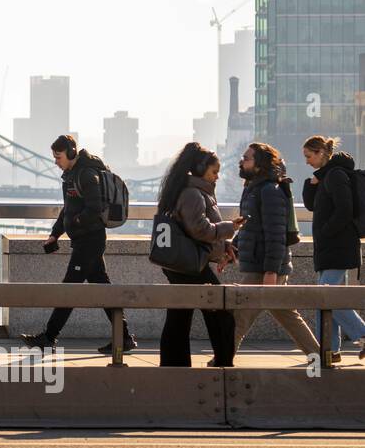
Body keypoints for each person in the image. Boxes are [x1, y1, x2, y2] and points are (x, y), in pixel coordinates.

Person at [20, 134, 136, 353]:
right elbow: (68, 208)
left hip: (90, 241)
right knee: (103, 289)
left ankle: (49, 337)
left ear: (71, 153)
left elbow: (95, 207)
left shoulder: (86, 174)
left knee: (69, 289)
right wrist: (55, 234)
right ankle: (125, 337)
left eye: (58, 157)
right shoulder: (70, 175)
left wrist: (77, 221)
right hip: (83, 240)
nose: (55, 161)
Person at [154, 143, 241, 367]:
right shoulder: (193, 194)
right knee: (220, 313)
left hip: (181, 263)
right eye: (214, 172)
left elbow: (197, 232)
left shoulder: (190, 190)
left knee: (179, 316)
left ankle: (174, 366)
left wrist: (224, 246)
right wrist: (230, 227)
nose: (218, 177)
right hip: (189, 266)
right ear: (201, 169)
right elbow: (200, 229)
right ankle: (223, 362)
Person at [231, 142, 320, 358]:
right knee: (287, 314)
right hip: (261, 264)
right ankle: (319, 356)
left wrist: (271, 272)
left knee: (239, 316)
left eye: (247, 158)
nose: (241, 162)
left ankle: (223, 358)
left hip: (264, 267)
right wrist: (232, 248)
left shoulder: (270, 191)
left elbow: (276, 234)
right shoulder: (253, 189)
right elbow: (249, 226)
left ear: (259, 165)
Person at [301, 135, 365, 360]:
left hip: (338, 246)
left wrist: (324, 232)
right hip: (330, 248)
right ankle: (329, 350)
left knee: (325, 297)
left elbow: (345, 210)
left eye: (309, 156)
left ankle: (361, 334)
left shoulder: (336, 175)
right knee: (327, 299)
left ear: (320, 153)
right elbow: (311, 206)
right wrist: (311, 183)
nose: (307, 161)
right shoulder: (325, 176)